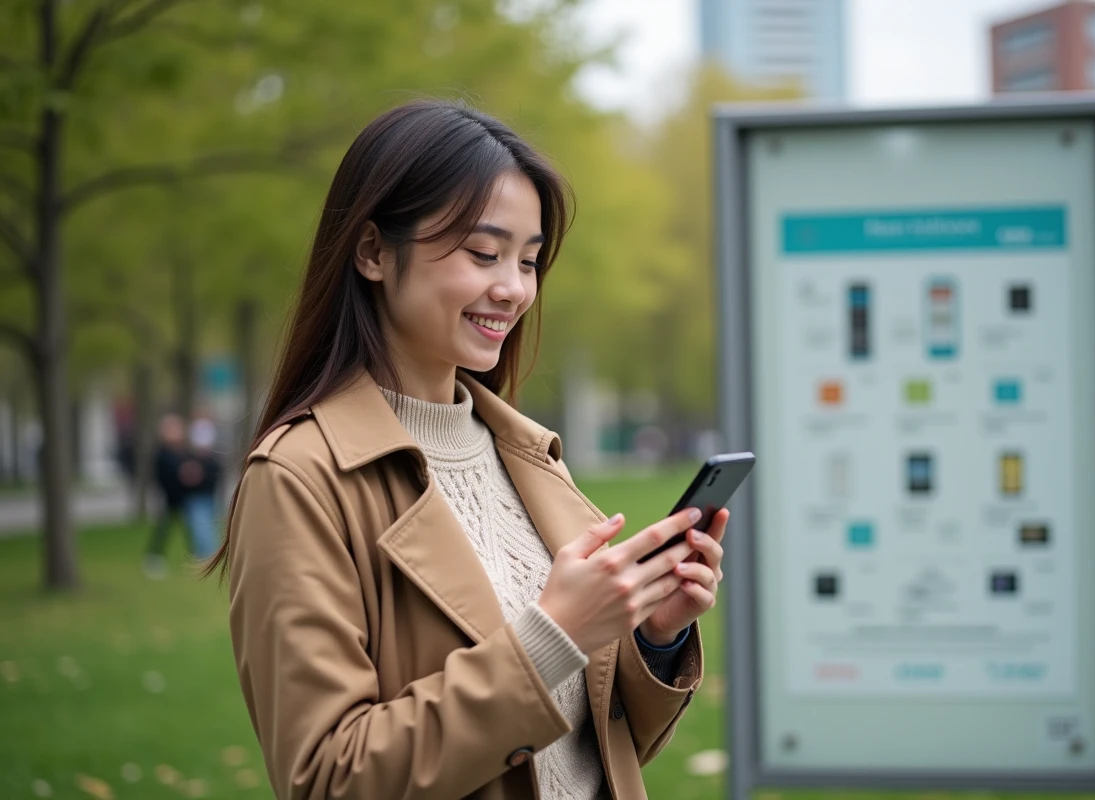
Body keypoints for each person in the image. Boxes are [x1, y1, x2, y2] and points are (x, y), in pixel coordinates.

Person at [208, 100, 726, 799]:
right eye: (483, 253)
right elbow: (328, 777)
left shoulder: (527, 454)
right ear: (372, 252)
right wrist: (550, 639)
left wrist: (654, 637)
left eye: (530, 260)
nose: (513, 289)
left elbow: (584, 753)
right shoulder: (301, 477)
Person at [144, 413, 189, 578]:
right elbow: (164, 476)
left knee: (188, 526)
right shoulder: (163, 453)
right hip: (169, 497)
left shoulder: (178, 452)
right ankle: (154, 557)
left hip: (180, 496)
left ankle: (197, 556)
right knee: (164, 528)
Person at [181, 416, 221, 560]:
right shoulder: (195, 458)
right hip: (198, 496)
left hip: (203, 496)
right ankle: (206, 552)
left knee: (202, 526)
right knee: (201, 525)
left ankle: (208, 553)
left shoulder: (209, 461)